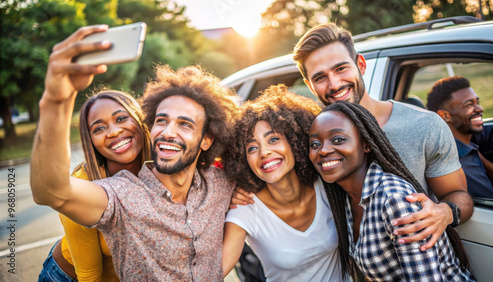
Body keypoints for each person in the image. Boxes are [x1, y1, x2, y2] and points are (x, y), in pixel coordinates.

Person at [31, 25, 238, 280]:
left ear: (207, 139)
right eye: (161, 120)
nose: (169, 132)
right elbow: (51, 191)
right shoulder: (122, 194)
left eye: (185, 124)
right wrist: (56, 99)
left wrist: (243, 193)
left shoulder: (220, 181)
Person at [291, 22, 472, 251]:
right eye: (320, 78)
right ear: (310, 85)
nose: (334, 84)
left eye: (340, 69)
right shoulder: (314, 143)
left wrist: (444, 213)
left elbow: (460, 196)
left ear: (360, 64)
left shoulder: (424, 125)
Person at [308, 101, 474, 281]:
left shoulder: (394, 200)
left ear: (366, 144)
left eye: (338, 139)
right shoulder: (347, 199)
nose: (323, 150)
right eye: (315, 143)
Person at [222, 85, 342, 281]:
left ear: (295, 140)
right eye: (252, 148)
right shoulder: (245, 208)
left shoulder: (327, 185)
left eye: (273, 139)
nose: (264, 152)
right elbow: (213, 271)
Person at [38, 90, 151, 282]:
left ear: (140, 119)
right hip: (67, 277)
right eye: (99, 129)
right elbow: (90, 276)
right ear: (91, 141)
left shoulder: (163, 167)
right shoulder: (83, 184)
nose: (114, 132)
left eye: (121, 118)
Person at [427, 76, 493, 199]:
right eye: (468, 105)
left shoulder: (466, 147)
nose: (479, 109)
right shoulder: (457, 163)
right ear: (445, 115)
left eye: (478, 102)